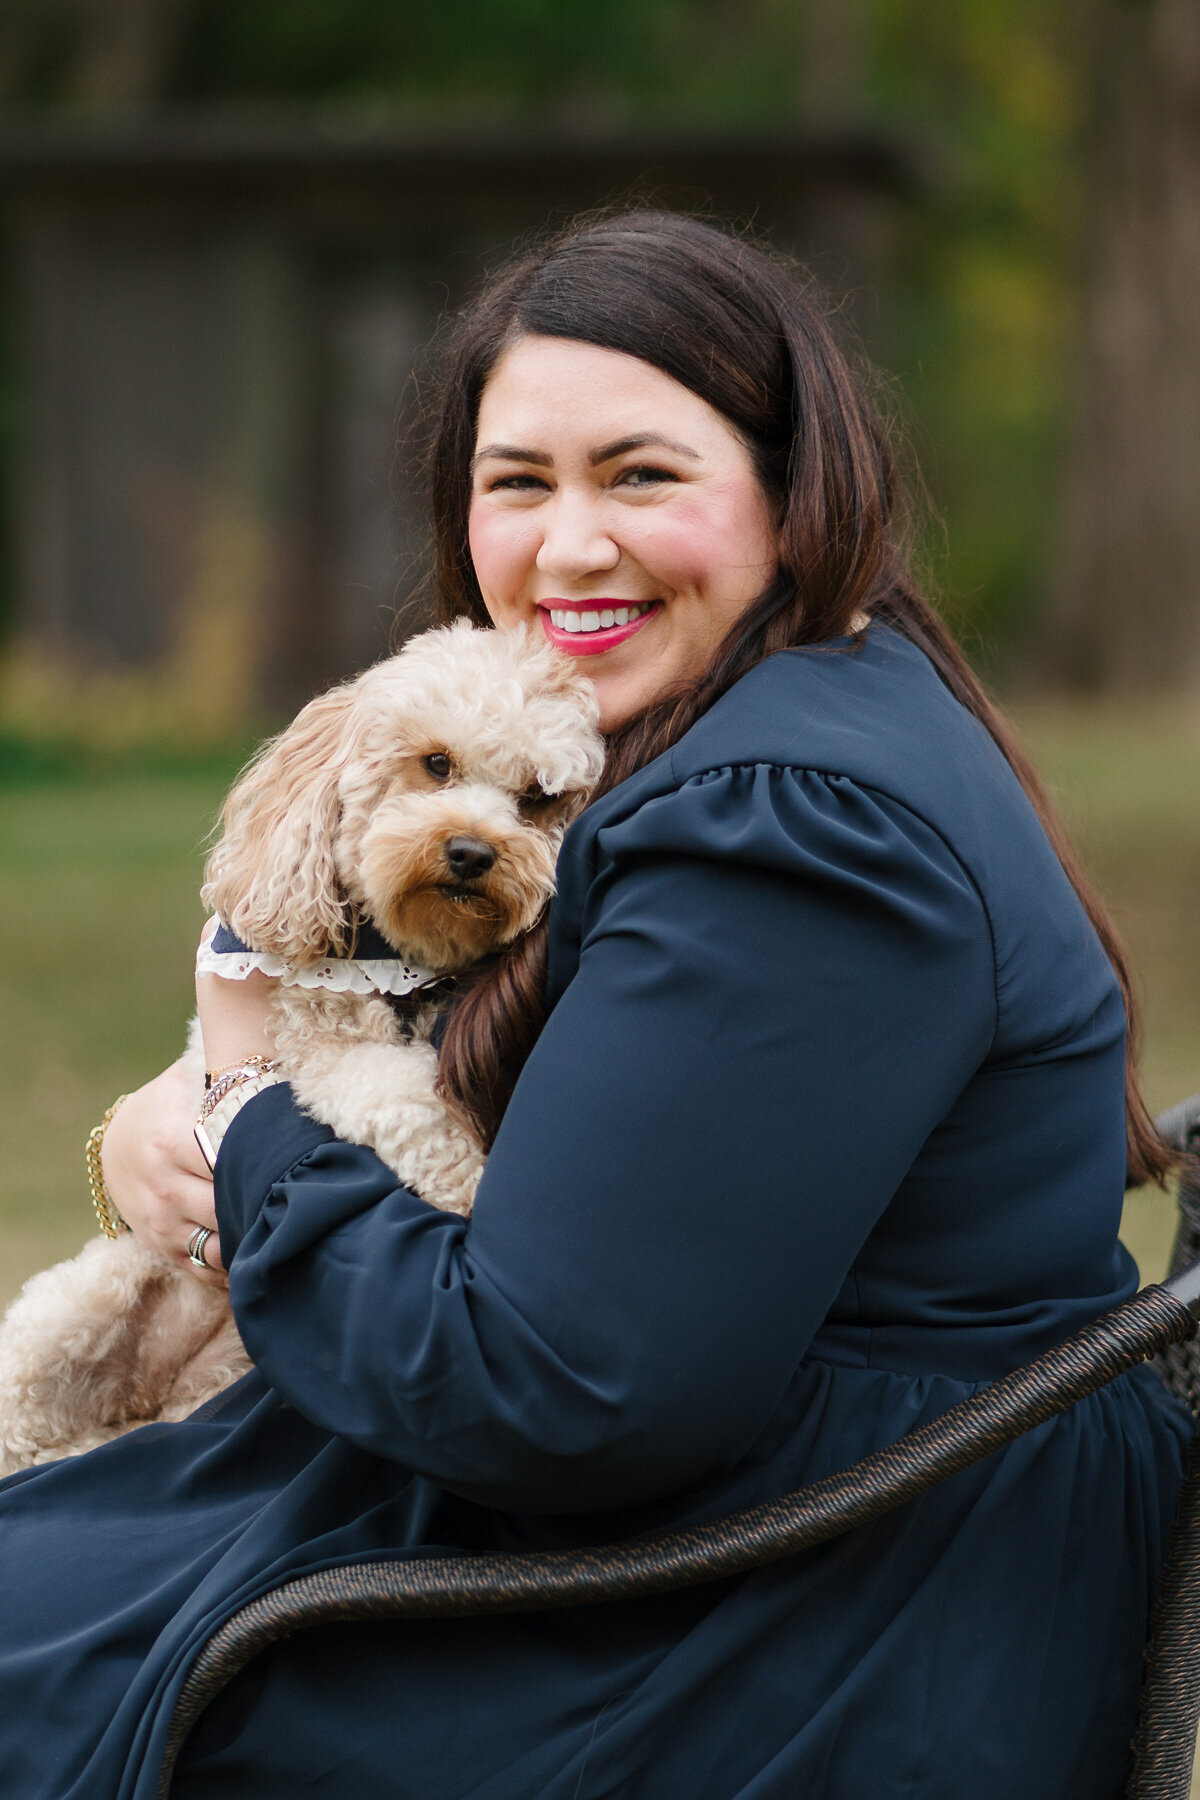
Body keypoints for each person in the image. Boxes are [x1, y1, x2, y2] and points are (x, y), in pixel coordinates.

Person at [0, 211, 1190, 1800]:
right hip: (745, 1521)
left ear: (793, 484)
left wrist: (239, 1128)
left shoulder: (798, 834)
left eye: (640, 475)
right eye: (517, 485)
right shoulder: (791, 714)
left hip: (809, 1610)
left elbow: (559, 1394)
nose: (568, 547)